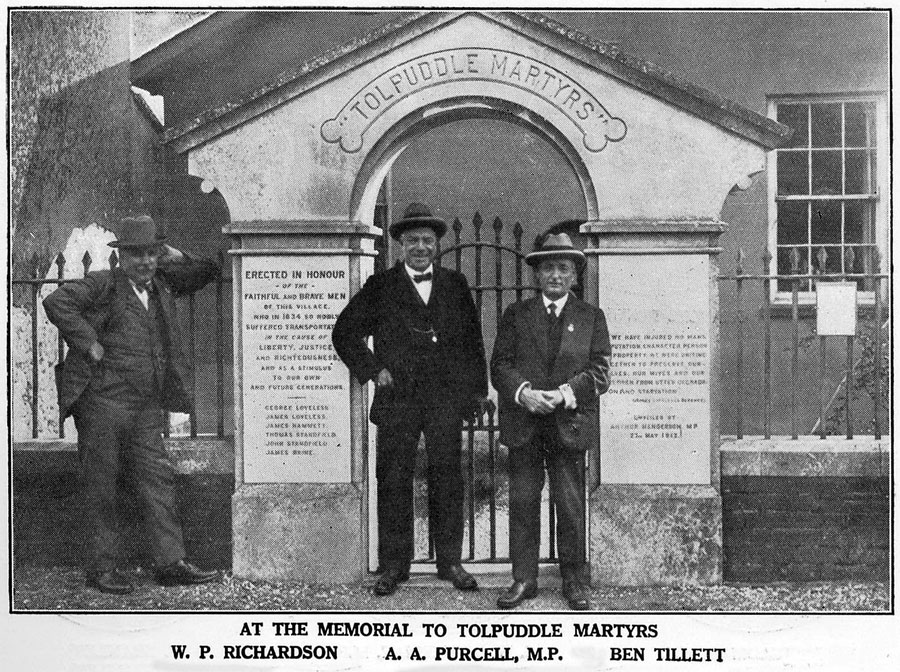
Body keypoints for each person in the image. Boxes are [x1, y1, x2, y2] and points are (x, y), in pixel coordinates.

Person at [44, 215, 220, 594]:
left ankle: (170, 563)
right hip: (103, 404)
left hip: (144, 408)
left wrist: (175, 255)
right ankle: (102, 568)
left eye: (151, 253)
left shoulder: (159, 286)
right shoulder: (104, 283)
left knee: (158, 480)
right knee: (102, 486)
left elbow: (209, 271)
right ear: (122, 256)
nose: (144, 262)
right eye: (136, 254)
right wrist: (87, 340)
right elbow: (56, 301)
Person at [332, 203, 491, 596]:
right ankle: (393, 566)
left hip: (443, 399)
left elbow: (473, 342)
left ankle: (450, 562)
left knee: (447, 478)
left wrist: (476, 392)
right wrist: (373, 370)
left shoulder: (455, 284)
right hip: (398, 399)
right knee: (394, 479)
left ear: (437, 244)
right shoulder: (381, 286)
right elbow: (345, 332)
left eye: (427, 240)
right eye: (413, 240)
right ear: (401, 244)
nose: (420, 247)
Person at [491, 232, 611, 610]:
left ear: (575, 275)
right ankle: (523, 579)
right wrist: (523, 392)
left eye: (563, 268)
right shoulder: (516, 314)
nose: (555, 275)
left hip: (569, 424)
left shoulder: (591, 317)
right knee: (523, 501)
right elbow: (500, 366)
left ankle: (573, 580)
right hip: (525, 424)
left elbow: (600, 372)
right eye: (548, 268)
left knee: (570, 503)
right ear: (537, 275)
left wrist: (563, 394)